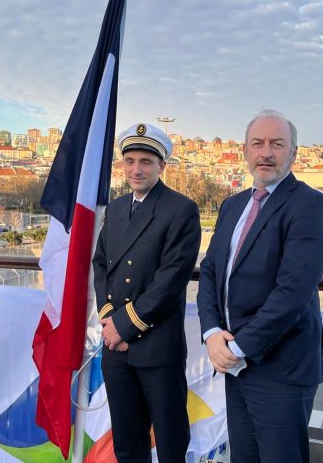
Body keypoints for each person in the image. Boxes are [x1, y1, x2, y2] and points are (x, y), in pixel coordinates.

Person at [197, 110, 323, 462]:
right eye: (258, 143)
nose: (266, 153)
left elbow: (292, 294)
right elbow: (210, 270)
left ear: (294, 153)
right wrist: (212, 333)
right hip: (235, 363)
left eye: (277, 144)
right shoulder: (232, 205)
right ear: (245, 150)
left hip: (281, 368)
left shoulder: (311, 205)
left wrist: (237, 348)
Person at [93, 123, 201, 462]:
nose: (136, 169)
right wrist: (109, 321)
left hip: (156, 346)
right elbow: (101, 265)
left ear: (161, 166)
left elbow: (171, 279)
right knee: (127, 443)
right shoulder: (116, 208)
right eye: (129, 161)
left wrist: (124, 327)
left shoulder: (180, 209)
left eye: (145, 162)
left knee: (170, 442)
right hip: (116, 347)